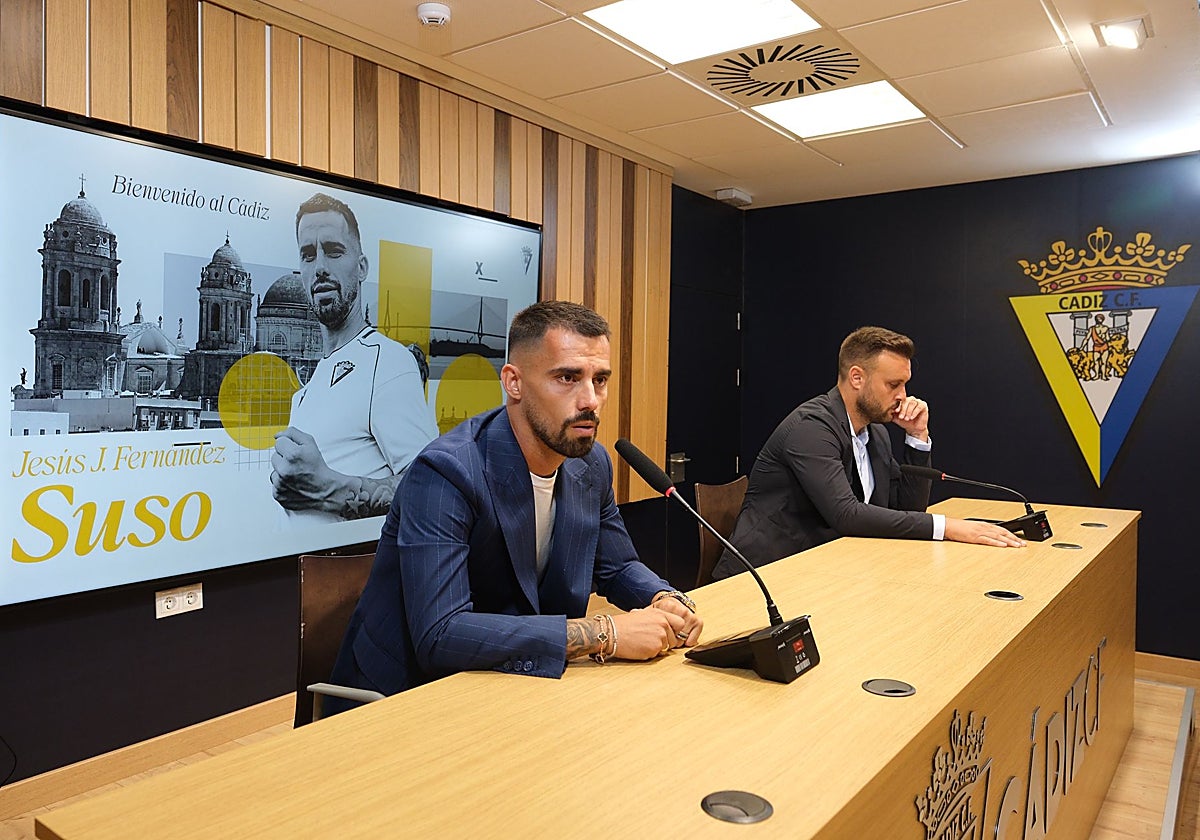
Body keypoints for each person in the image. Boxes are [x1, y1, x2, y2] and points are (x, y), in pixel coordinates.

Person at [326, 301, 703, 705]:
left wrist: (662, 599)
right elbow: (440, 634)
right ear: (514, 382)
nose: (590, 400)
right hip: (403, 698)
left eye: (600, 380)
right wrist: (603, 634)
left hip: (516, 687)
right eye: (568, 378)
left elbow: (618, 566)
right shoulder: (445, 472)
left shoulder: (589, 464)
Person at [711, 326, 1023, 581]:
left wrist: (917, 437)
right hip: (765, 578)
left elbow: (907, 509)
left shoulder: (877, 433)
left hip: (826, 571)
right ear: (857, 378)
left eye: (905, 384)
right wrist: (949, 527)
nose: (903, 396)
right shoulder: (812, 428)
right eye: (893, 384)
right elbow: (846, 515)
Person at [271, 193, 438, 523]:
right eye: (308, 255)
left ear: (361, 268)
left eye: (333, 251)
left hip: (361, 575)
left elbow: (433, 489)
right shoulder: (310, 385)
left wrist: (328, 489)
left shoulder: (387, 362)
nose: (320, 267)